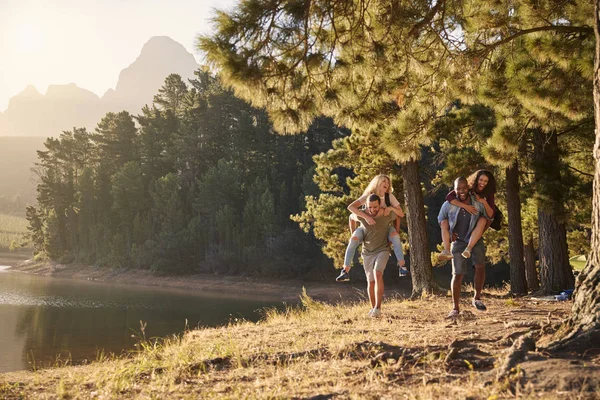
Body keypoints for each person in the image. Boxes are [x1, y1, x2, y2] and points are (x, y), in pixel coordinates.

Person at [437, 177, 493, 319]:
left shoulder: (477, 203)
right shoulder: (448, 205)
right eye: (458, 189)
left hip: (475, 240)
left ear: (468, 188)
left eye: (463, 188)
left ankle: (477, 298)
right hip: (458, 241)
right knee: (457, 274)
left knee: (480, 267)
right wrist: (450, 235)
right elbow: (441, 220)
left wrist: (480, 232)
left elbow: (489, 218)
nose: (461, 191)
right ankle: (455, 308)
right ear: (454, 189)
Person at [336, 174, 406, 282]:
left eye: (388, 182)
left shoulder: (389, 197)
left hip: (384, 227)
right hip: (365, 227)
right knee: (353, 239)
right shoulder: (368, 196)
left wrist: (391, 208)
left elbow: (400, 213)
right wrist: (366, 217)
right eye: (384, 181)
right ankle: (345, 270)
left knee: (395, 237)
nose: (386, 184)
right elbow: (351, 208)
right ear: (377, 182)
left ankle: (402, 267)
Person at [349, 194, 397, 317]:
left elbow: (398, 216)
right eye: (370, 207)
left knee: (377, 273)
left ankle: (378, 308)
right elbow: (351, 215)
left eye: (375, 207)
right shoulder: (363, 214)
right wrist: (353, 234)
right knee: (370, 281)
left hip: (383, 249)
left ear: (379, 204)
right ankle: (373, 308)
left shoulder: (385, 213)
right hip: (367, 252)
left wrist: (395, 233)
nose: (372, 210)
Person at [438, 170, 496, 261]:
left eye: (485, 181)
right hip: (460, 229)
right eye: (481, 180)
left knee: (484, 219)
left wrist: (483, 201)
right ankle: (446, 250)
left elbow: (491, 216)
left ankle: (469, 248)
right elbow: (449, 197)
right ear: (476, 180)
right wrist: (466, 207)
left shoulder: (488, 193)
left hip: (482, 212)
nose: (483, 183)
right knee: (444, 221)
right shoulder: (468, 186)